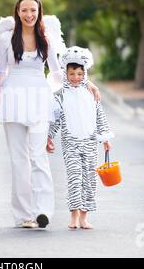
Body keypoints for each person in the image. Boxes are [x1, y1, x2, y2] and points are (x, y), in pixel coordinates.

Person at [0, 0, 100, 229]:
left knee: (38, 156)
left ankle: (42, 211)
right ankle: (24, 215)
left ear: (39, 12)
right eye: (24, 10)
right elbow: (0, 71)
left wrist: (84, 83)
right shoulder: (6, 38)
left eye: (33, 10)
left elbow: (56, 72)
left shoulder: (46, 38)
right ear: (17, 12)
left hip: (39, 97)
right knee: (19, 159)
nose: (29, 15)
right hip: (13, 97)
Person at [47, 46, 114, 230]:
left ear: (84, 73)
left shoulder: (92, 93)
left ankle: (85, 217)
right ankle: (74, 216)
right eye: (71, 73)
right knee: (74, 178)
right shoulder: (60, 95)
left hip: (90, 143)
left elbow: (100, 116)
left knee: (89, 180)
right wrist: (49, 137)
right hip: (71, 144)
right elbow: (56, 119)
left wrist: (105, 138)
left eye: (79, 73)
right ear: (65, 73)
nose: (75, 77)